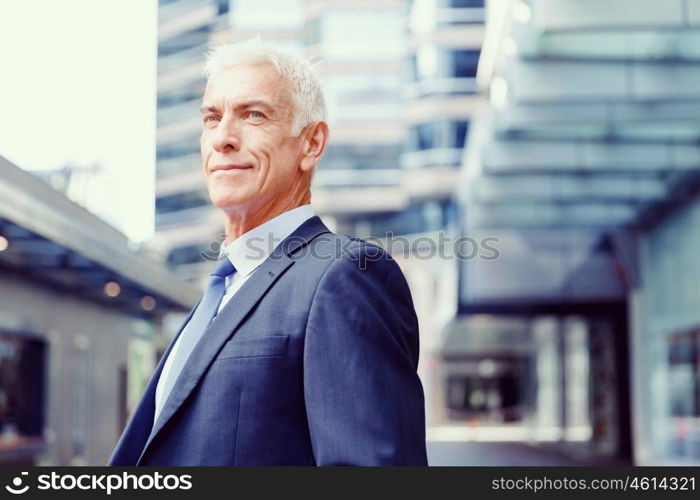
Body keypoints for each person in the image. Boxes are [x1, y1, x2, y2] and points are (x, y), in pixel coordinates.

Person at [108, 38, 427, 466]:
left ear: (311, 144)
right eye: (211, 117)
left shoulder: (344, 276)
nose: (222, 138)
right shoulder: (220, 292)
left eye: (253, 114)